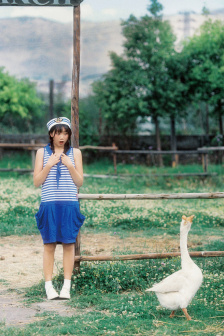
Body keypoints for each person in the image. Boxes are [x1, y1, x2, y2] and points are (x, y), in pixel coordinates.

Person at [33, 117, 85, 300]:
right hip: (49, 204)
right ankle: (49, 287)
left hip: (69, 204)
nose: (62, 137)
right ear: (51, 134)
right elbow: (36, 182)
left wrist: (70, 166)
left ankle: (66, 287)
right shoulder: (42, 152)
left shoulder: (75, 153)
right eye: (58, 132)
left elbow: (79, 182)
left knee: (69, 244)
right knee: (49, 245)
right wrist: (49, 165)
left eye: (65, 133)